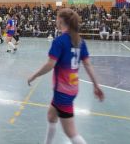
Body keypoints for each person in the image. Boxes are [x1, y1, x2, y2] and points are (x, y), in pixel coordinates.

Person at [27, 8, 104, 144]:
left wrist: (34, 75)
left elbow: (50, 64)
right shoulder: (80, 41)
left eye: (57, 18)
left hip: (63, 91)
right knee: (51, 115)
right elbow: (87, 65)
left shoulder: (60, 41)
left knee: (71, 133)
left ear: (61, 21)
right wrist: (96, 85)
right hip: (72, 88)